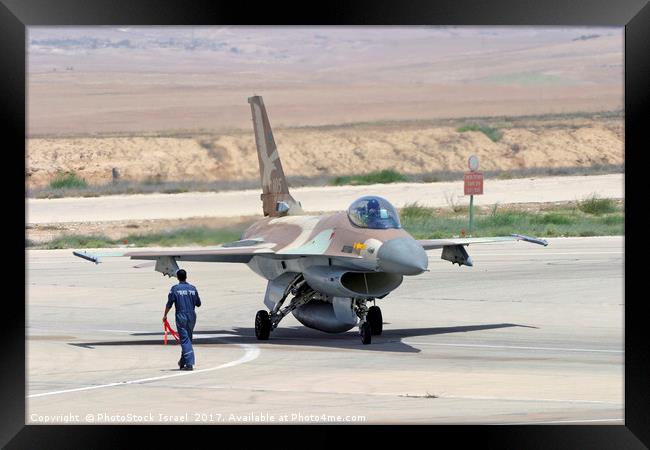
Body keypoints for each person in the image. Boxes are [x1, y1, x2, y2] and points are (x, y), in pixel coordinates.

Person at [163, 269, 201, 370]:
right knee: (188, 338)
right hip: (192, 316)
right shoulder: (193, 288)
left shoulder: (175, 289)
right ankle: (182, 361)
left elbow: (169, 303)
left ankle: (189, 363)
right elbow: (198, 303)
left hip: (181, 316)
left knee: (184, 340)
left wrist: (165, 315)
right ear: (186, 276)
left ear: (177, 277)